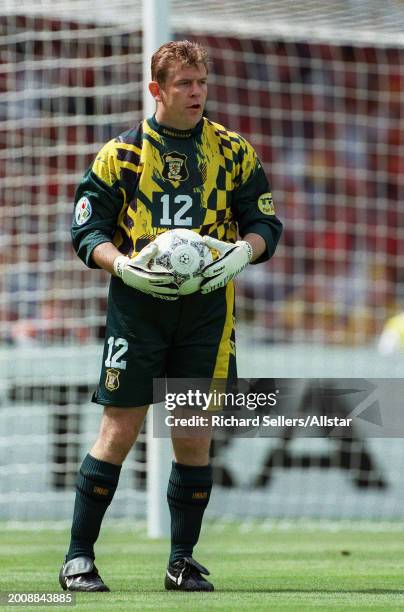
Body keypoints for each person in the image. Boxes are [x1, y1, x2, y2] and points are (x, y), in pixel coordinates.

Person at [59, 40, 282, 593]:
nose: (196, 93)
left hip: (206, 313)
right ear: (156, 90)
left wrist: (241, 253)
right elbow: (85, 231)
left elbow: (266, 223)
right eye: (184, 84)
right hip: (138, 311)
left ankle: (181, 562)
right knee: (119, 430)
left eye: (201, 82)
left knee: (193, 435)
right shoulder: (123, 154)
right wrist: (124, 267)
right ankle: (77, 559)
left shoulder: (233, 152)